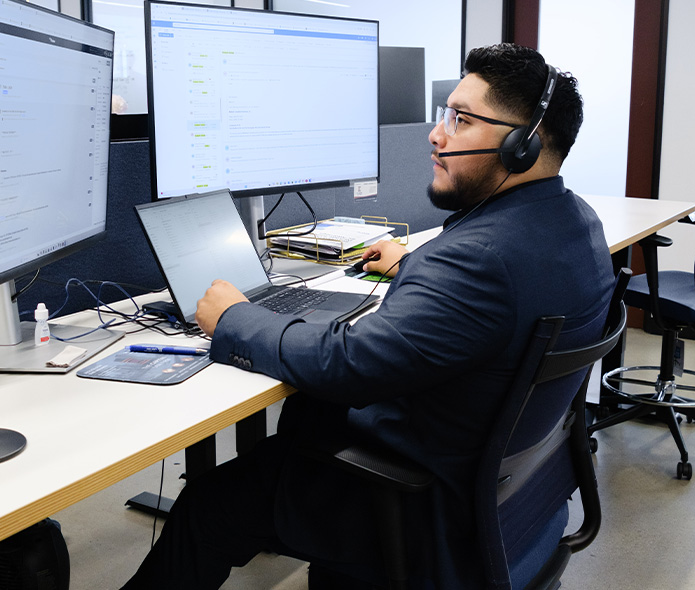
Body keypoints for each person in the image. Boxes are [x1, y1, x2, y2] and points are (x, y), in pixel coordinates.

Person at [121, 43, 615, 590]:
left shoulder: (478, 260)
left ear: (525, 146)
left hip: (415, 504)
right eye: (445, 113)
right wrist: (417, 264)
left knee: (208, 504)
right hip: (505, 497)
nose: (436, 133)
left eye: (462, 119)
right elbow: (496, 296)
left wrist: (236, 318)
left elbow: (348, 363)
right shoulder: (574, 223)